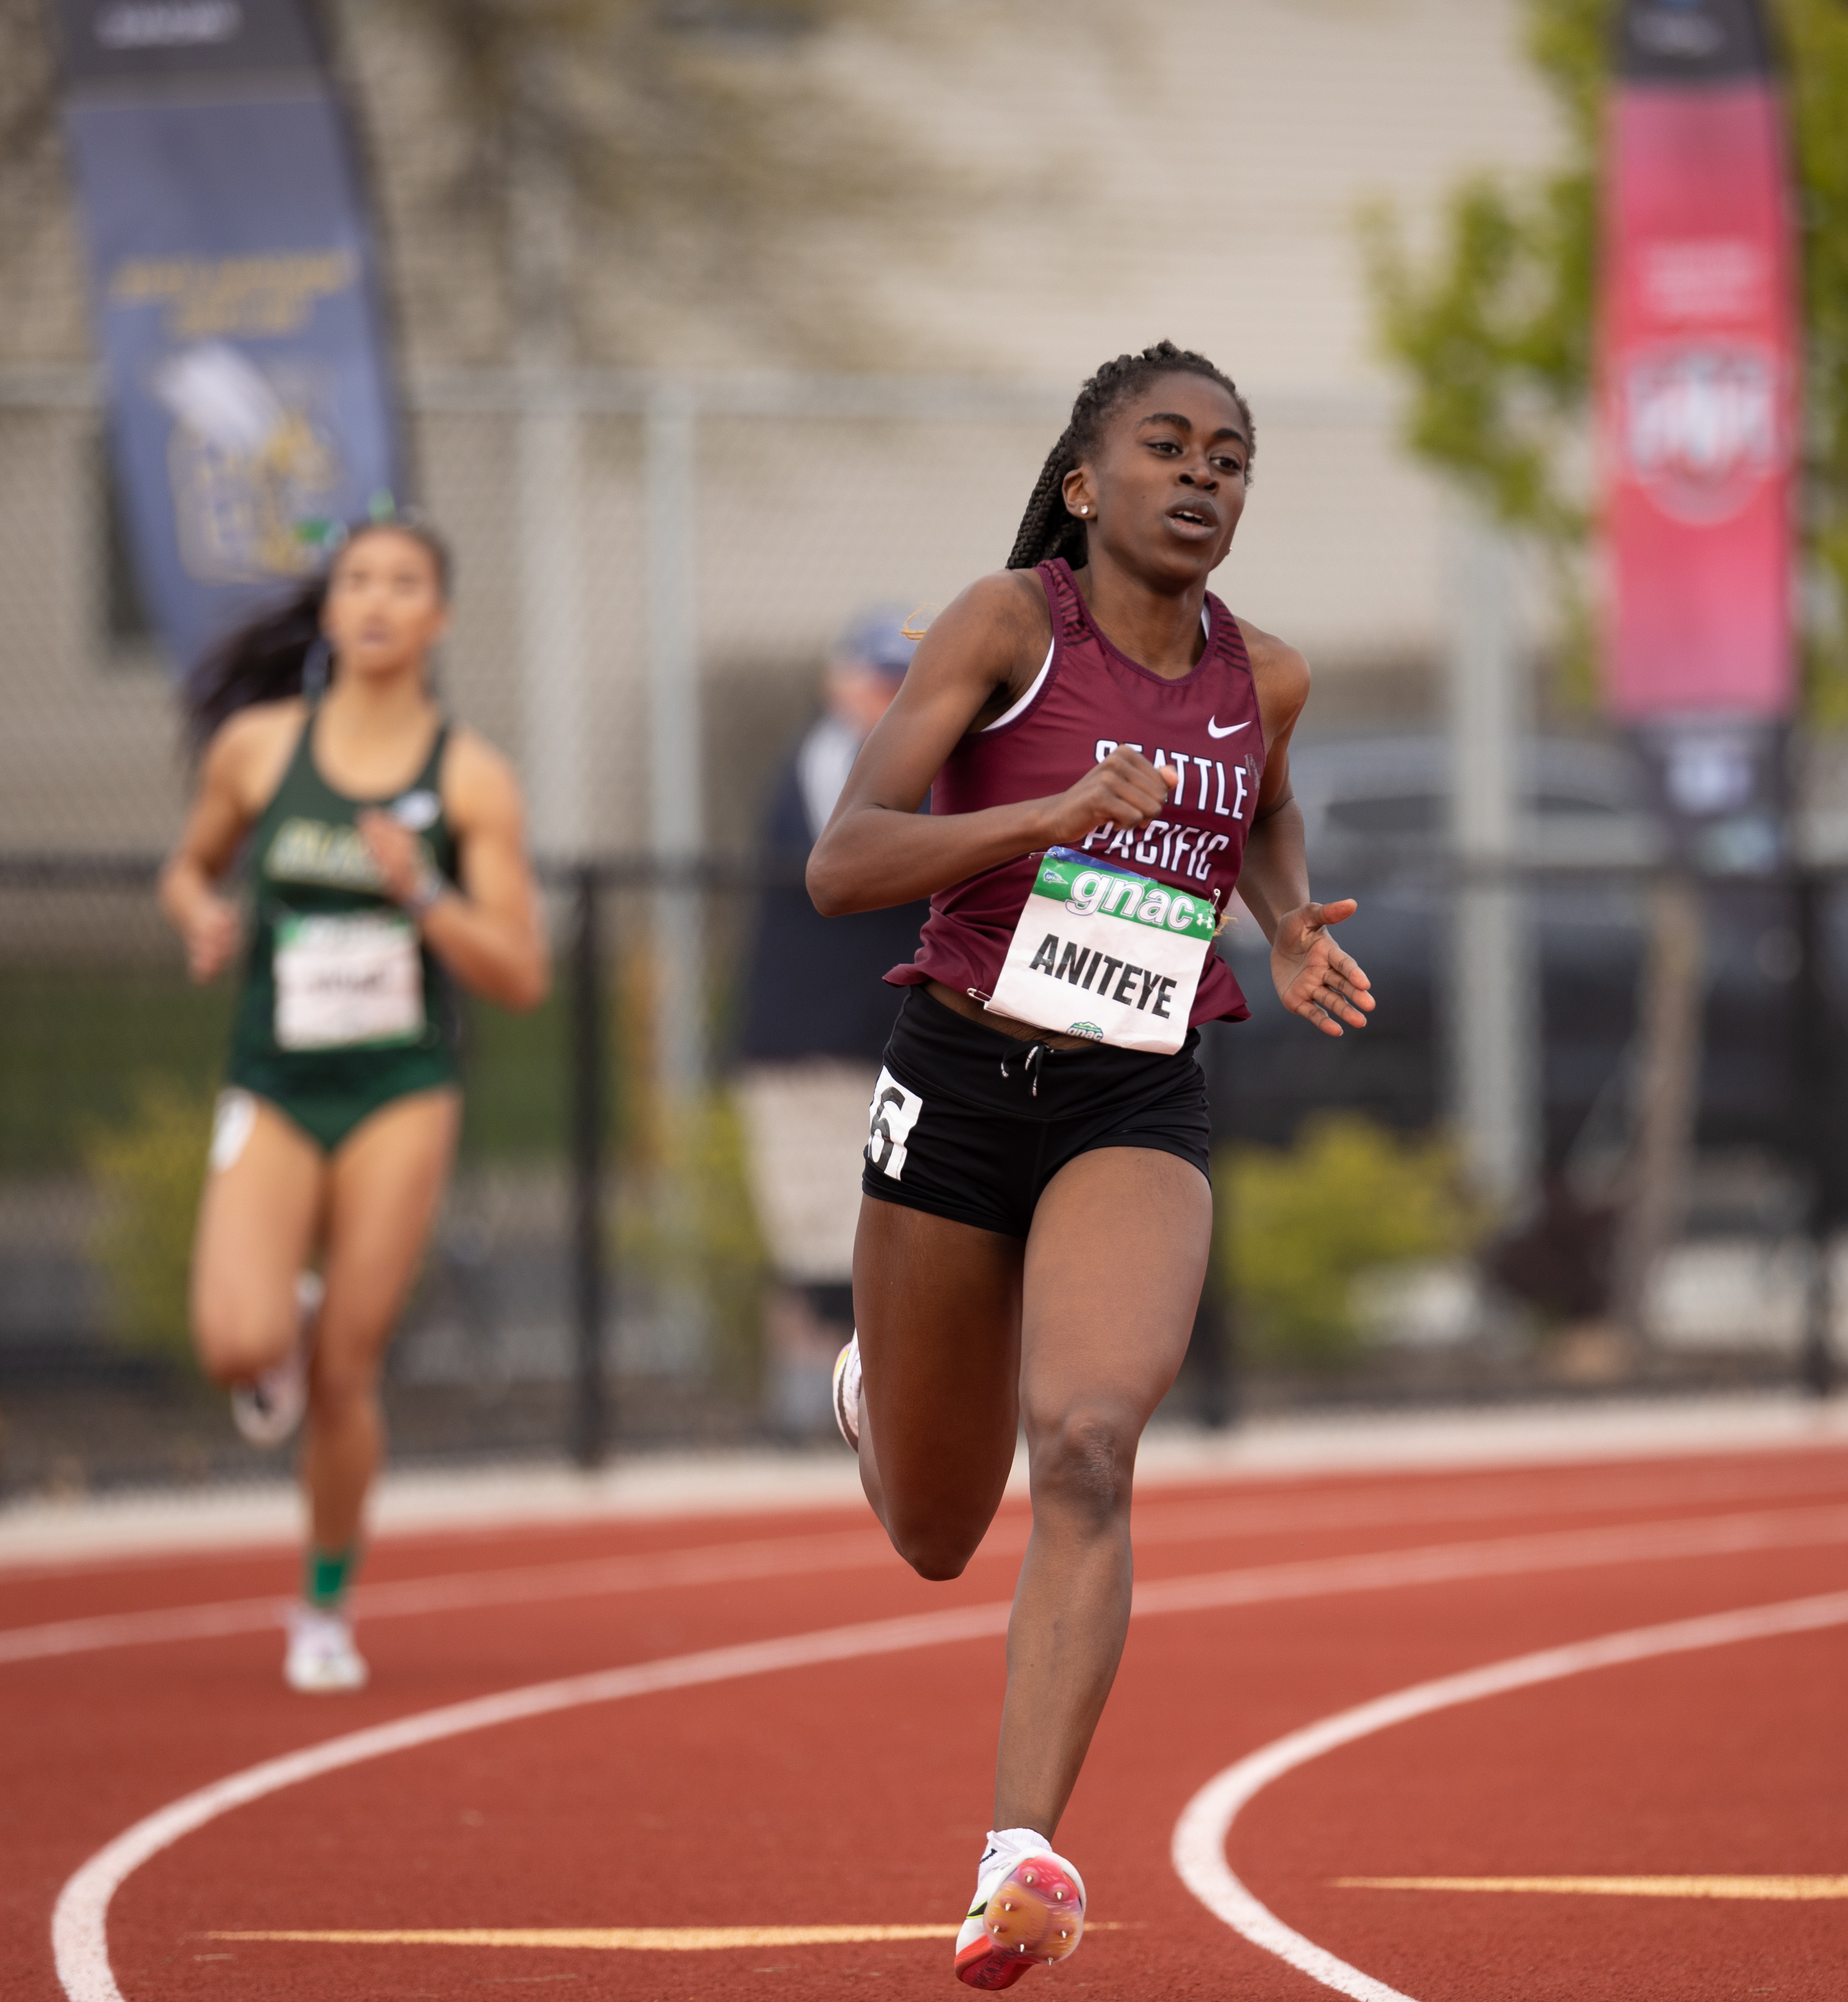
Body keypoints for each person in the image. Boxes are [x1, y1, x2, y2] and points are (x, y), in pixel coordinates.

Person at [805, 342, 1373, 1988]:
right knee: (931, 1526)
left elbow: (1253, 802)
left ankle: (1016, 1861)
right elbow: (847, 860)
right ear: (1085, 482)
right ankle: (877, 1386)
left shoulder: (1265, 674)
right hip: (963, 1078)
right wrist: (1040, 817)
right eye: (1169, 447)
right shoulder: (1004, 630)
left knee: (1088, 1444)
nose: (1204, 478)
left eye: (1233, 459)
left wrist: (1283, 919)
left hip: (1138, 1091)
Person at [157, 511, 548, 1692]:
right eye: (358, 581)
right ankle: (282, 1311)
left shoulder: (469, 776)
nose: (377, 601)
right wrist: (201, 918)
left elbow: (519, 972)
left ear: (440, 618)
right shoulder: (260, 751)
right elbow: (189, 865)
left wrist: (421, 891)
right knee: (239, 1343)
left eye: (404, 584)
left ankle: (323, 1604)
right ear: (331, 610)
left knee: (345, 1369)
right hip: (276, 1081)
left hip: (396, 1088)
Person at [735, 611, 931, 1435]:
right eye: (877, 680)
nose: (890, 700)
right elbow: (859, 866)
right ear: (841, 683)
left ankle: (882, 1406)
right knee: (823, 1229)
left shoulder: (924, 765)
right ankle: (810, 1409)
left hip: (886, 1039)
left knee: (900, 1225)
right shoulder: (833, 763)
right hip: (809, 1041)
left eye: (906, 684)